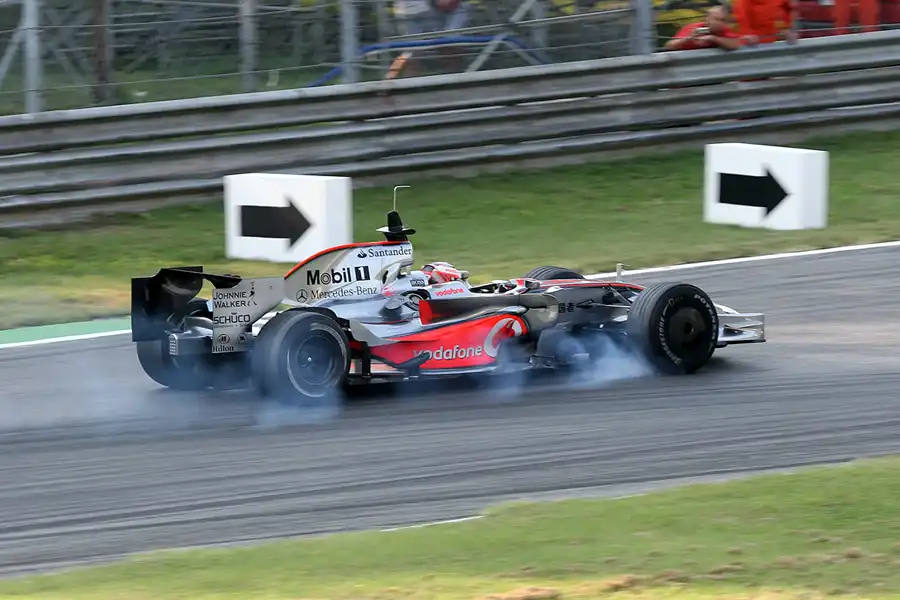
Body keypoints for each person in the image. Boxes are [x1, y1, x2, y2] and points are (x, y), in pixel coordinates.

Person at [664, 5, 749, 51]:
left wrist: (713, 38)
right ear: (707, 18)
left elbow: (735, 44)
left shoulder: (724, 30)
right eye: (715, 19)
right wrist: (688, 39)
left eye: (722, 20)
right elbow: (669, 46)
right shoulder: (694, 27)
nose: (718, 23)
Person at [732, 0, 798, 44]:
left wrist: (785, 28)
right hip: (752, 41)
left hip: (772, 40)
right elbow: (741, 14)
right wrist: (747, 34)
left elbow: (781, 12)